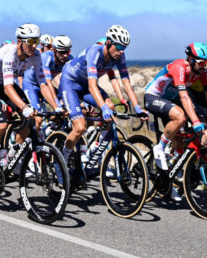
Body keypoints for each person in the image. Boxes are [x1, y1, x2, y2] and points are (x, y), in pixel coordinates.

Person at [0, 24, 58, 189]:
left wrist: (57, 107)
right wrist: (25, 108)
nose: (34, 45)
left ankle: (13, 156)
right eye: (30, 41)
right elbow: (8, 88)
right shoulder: (10, 52)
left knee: (35, 119)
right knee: (0, 126)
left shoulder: (36, 55)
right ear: (20, 42)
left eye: (36, 41)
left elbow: (44, 85)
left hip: (4, 83)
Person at [56, 26, 145, 167]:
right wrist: (102, 107)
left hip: (84, 84)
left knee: (111, 107)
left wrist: (137, 107)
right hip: (70, 83)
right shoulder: (94, 52)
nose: (122, 51)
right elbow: (92, 86)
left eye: (125, 48)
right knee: (80, 127)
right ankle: (61, 161)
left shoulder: (119, 56)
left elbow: (126, 82)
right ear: (109, 42)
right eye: (119, 46)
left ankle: (94, 149)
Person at [143, 42, 207, 169]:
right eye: (201, 63)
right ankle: (160, 147)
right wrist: (194, 121)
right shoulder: (179, 67)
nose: (204, 66)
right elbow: (184, 96)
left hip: (170, 100)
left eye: (206, 63)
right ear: (191, 60)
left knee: (180, 141)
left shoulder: (201, 72)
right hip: (153, 97)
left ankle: (173, 167)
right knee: (181, 117)